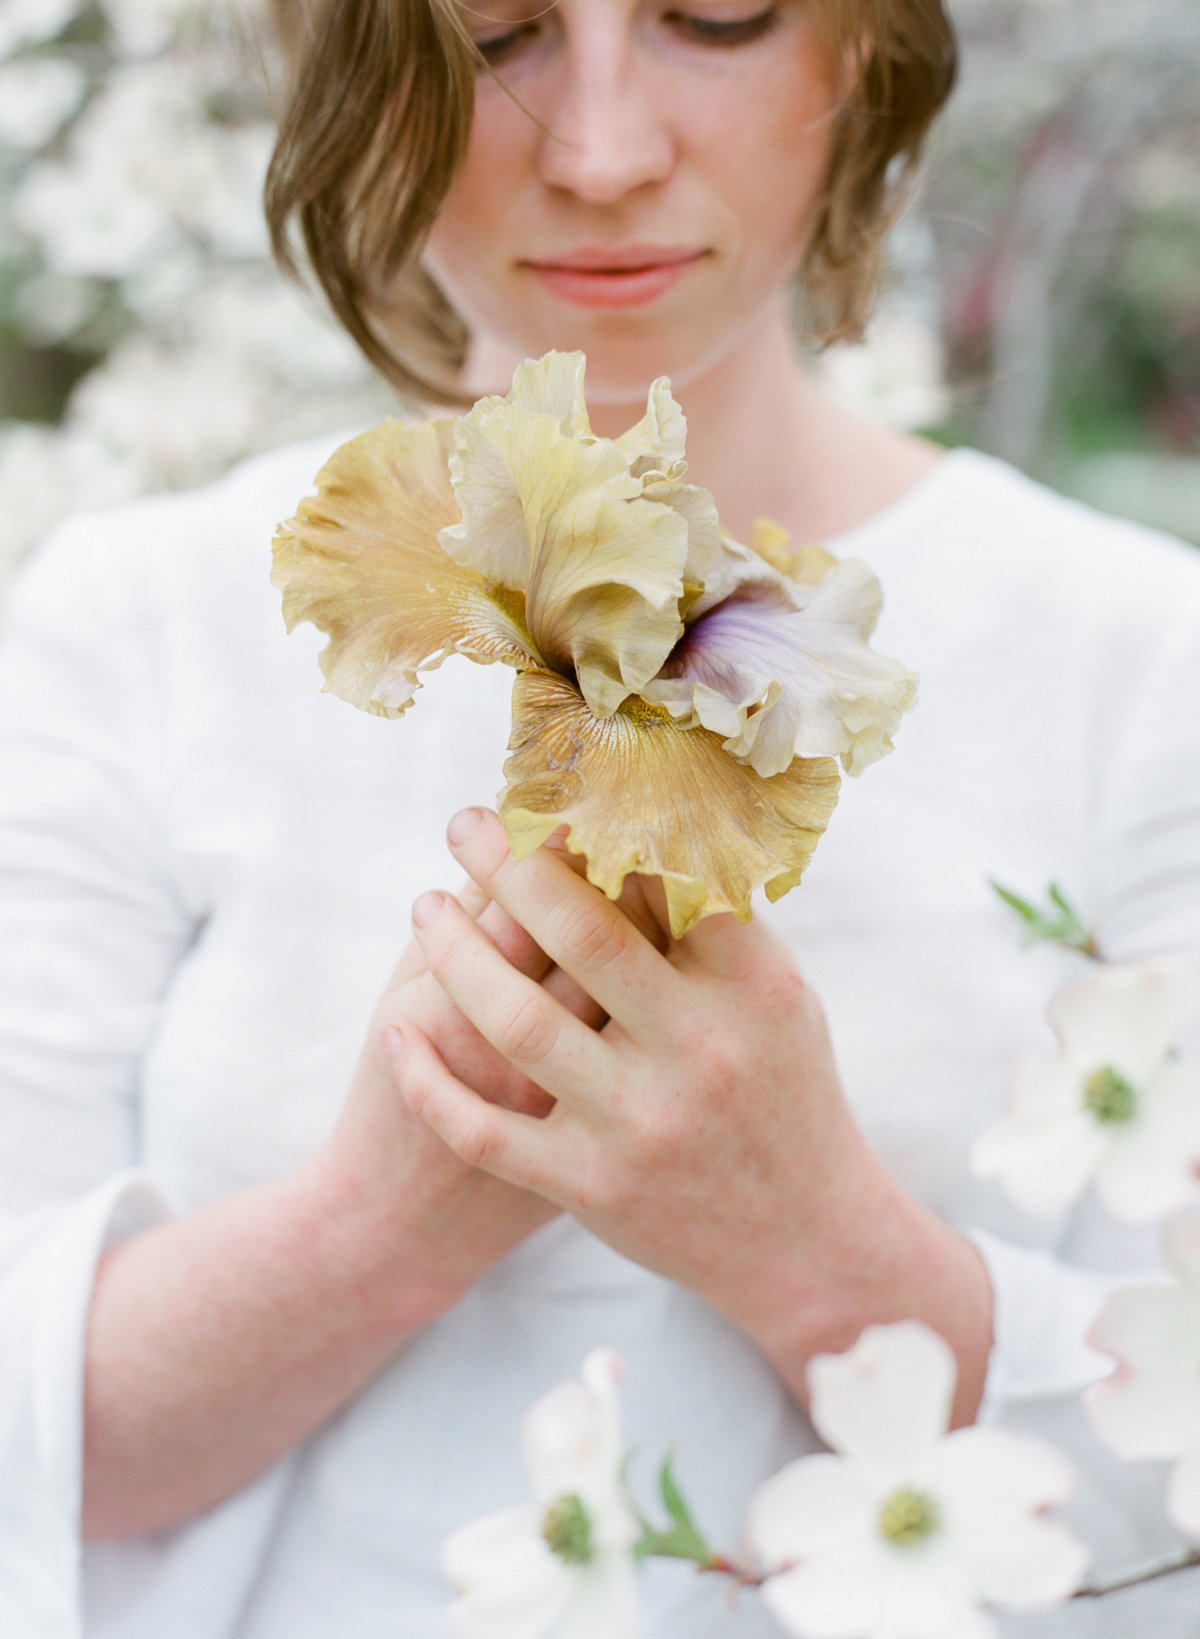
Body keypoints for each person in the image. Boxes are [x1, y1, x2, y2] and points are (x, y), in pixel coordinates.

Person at [1, 0, 1198, 1633]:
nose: (607, 151)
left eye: (717, 16)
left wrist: (817, 1246)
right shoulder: (133, 632)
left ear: (860, 46)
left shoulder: (1144, 668)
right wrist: (383, 1220)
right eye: (500, 31)